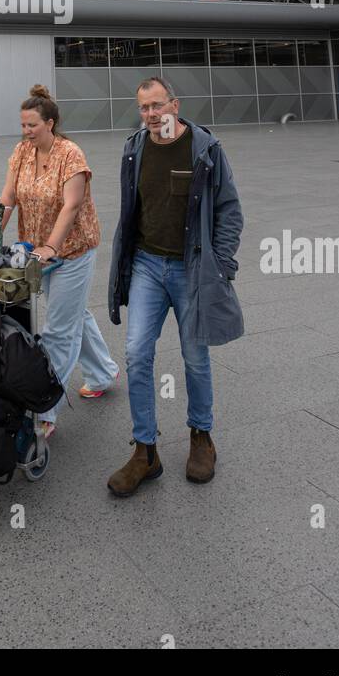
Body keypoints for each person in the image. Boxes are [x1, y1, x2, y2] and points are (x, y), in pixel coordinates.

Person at [107, 77, 244, 497]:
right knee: (135, 354)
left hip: (191, 268)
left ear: (174, 105)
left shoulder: (205, 149)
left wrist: (219, 265)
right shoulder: (135, 148)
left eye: (156, 105)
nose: (150, 114)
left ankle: (201, 437)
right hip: (148, 265)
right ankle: (146, 451)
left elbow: (229, 209)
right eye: (143, 107)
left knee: (194, 357)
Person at [0, 84, 118, 439]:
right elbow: (8, 197)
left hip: (73, 250)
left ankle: (43, 409)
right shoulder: (20, 152)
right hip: (37, 251)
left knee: (58, 331)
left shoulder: (71, 155)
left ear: (50, 123)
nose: (25, 131)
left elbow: (72, 205)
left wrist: (52, 245)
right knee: (74, 313)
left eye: (32, 125)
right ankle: (103, 372)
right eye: (22, 125)